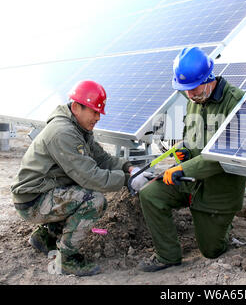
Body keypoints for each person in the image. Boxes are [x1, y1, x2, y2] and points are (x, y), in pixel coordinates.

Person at [11, 80, 151, 276]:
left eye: (99, 113)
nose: (97, 118)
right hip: (32, 200)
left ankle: (45, 236)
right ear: (76, 107)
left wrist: (129, 168)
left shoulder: (79, 127)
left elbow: (102, 158)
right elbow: (91, 178)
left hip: (42, 192)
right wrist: (127, 181)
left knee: (76, 191)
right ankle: (67, 259)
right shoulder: (63, 132)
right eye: (94, 112)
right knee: (94, 200)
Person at [138, 47, 246, 272]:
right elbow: (191, 137)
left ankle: (223, 228)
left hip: (218, 192)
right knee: (150, 194)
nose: (190, 95)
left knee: (211, 251)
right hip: (191, 181)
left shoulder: (237, 103)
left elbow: (225, 157)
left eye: (193, 89)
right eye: (185, 90)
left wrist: (182, 167)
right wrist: (185, 151)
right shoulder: (194, 97)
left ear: (209, 79)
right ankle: (167, 256)